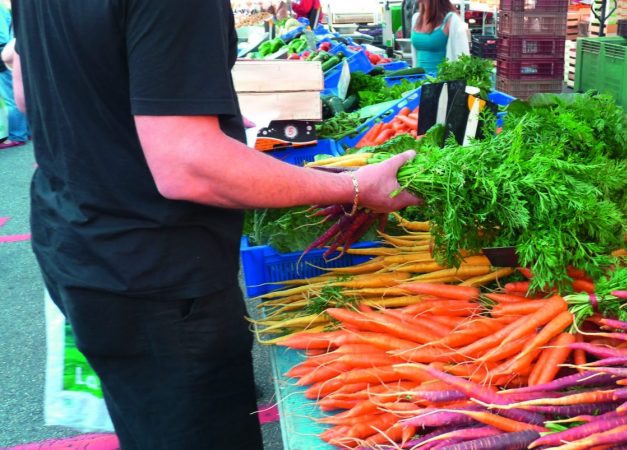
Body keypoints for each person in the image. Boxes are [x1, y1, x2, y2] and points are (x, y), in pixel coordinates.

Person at [11, 0, 419, 449]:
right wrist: (355, 188)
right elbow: (187, 165)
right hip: (156, 275)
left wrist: (197, 115)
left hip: (74, 241)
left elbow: (32, 91)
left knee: (148, 426)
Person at [410, 0, 470, 72]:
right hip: (417, 81)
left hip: (441, 81)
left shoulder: (452, 20)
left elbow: (463, 60)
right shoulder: (416, 19)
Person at [0, 1, 26, 148]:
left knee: (12, 99)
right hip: (10, 55)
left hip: (5, 59)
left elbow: (2, 37)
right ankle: (25, 132)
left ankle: (17, 135)